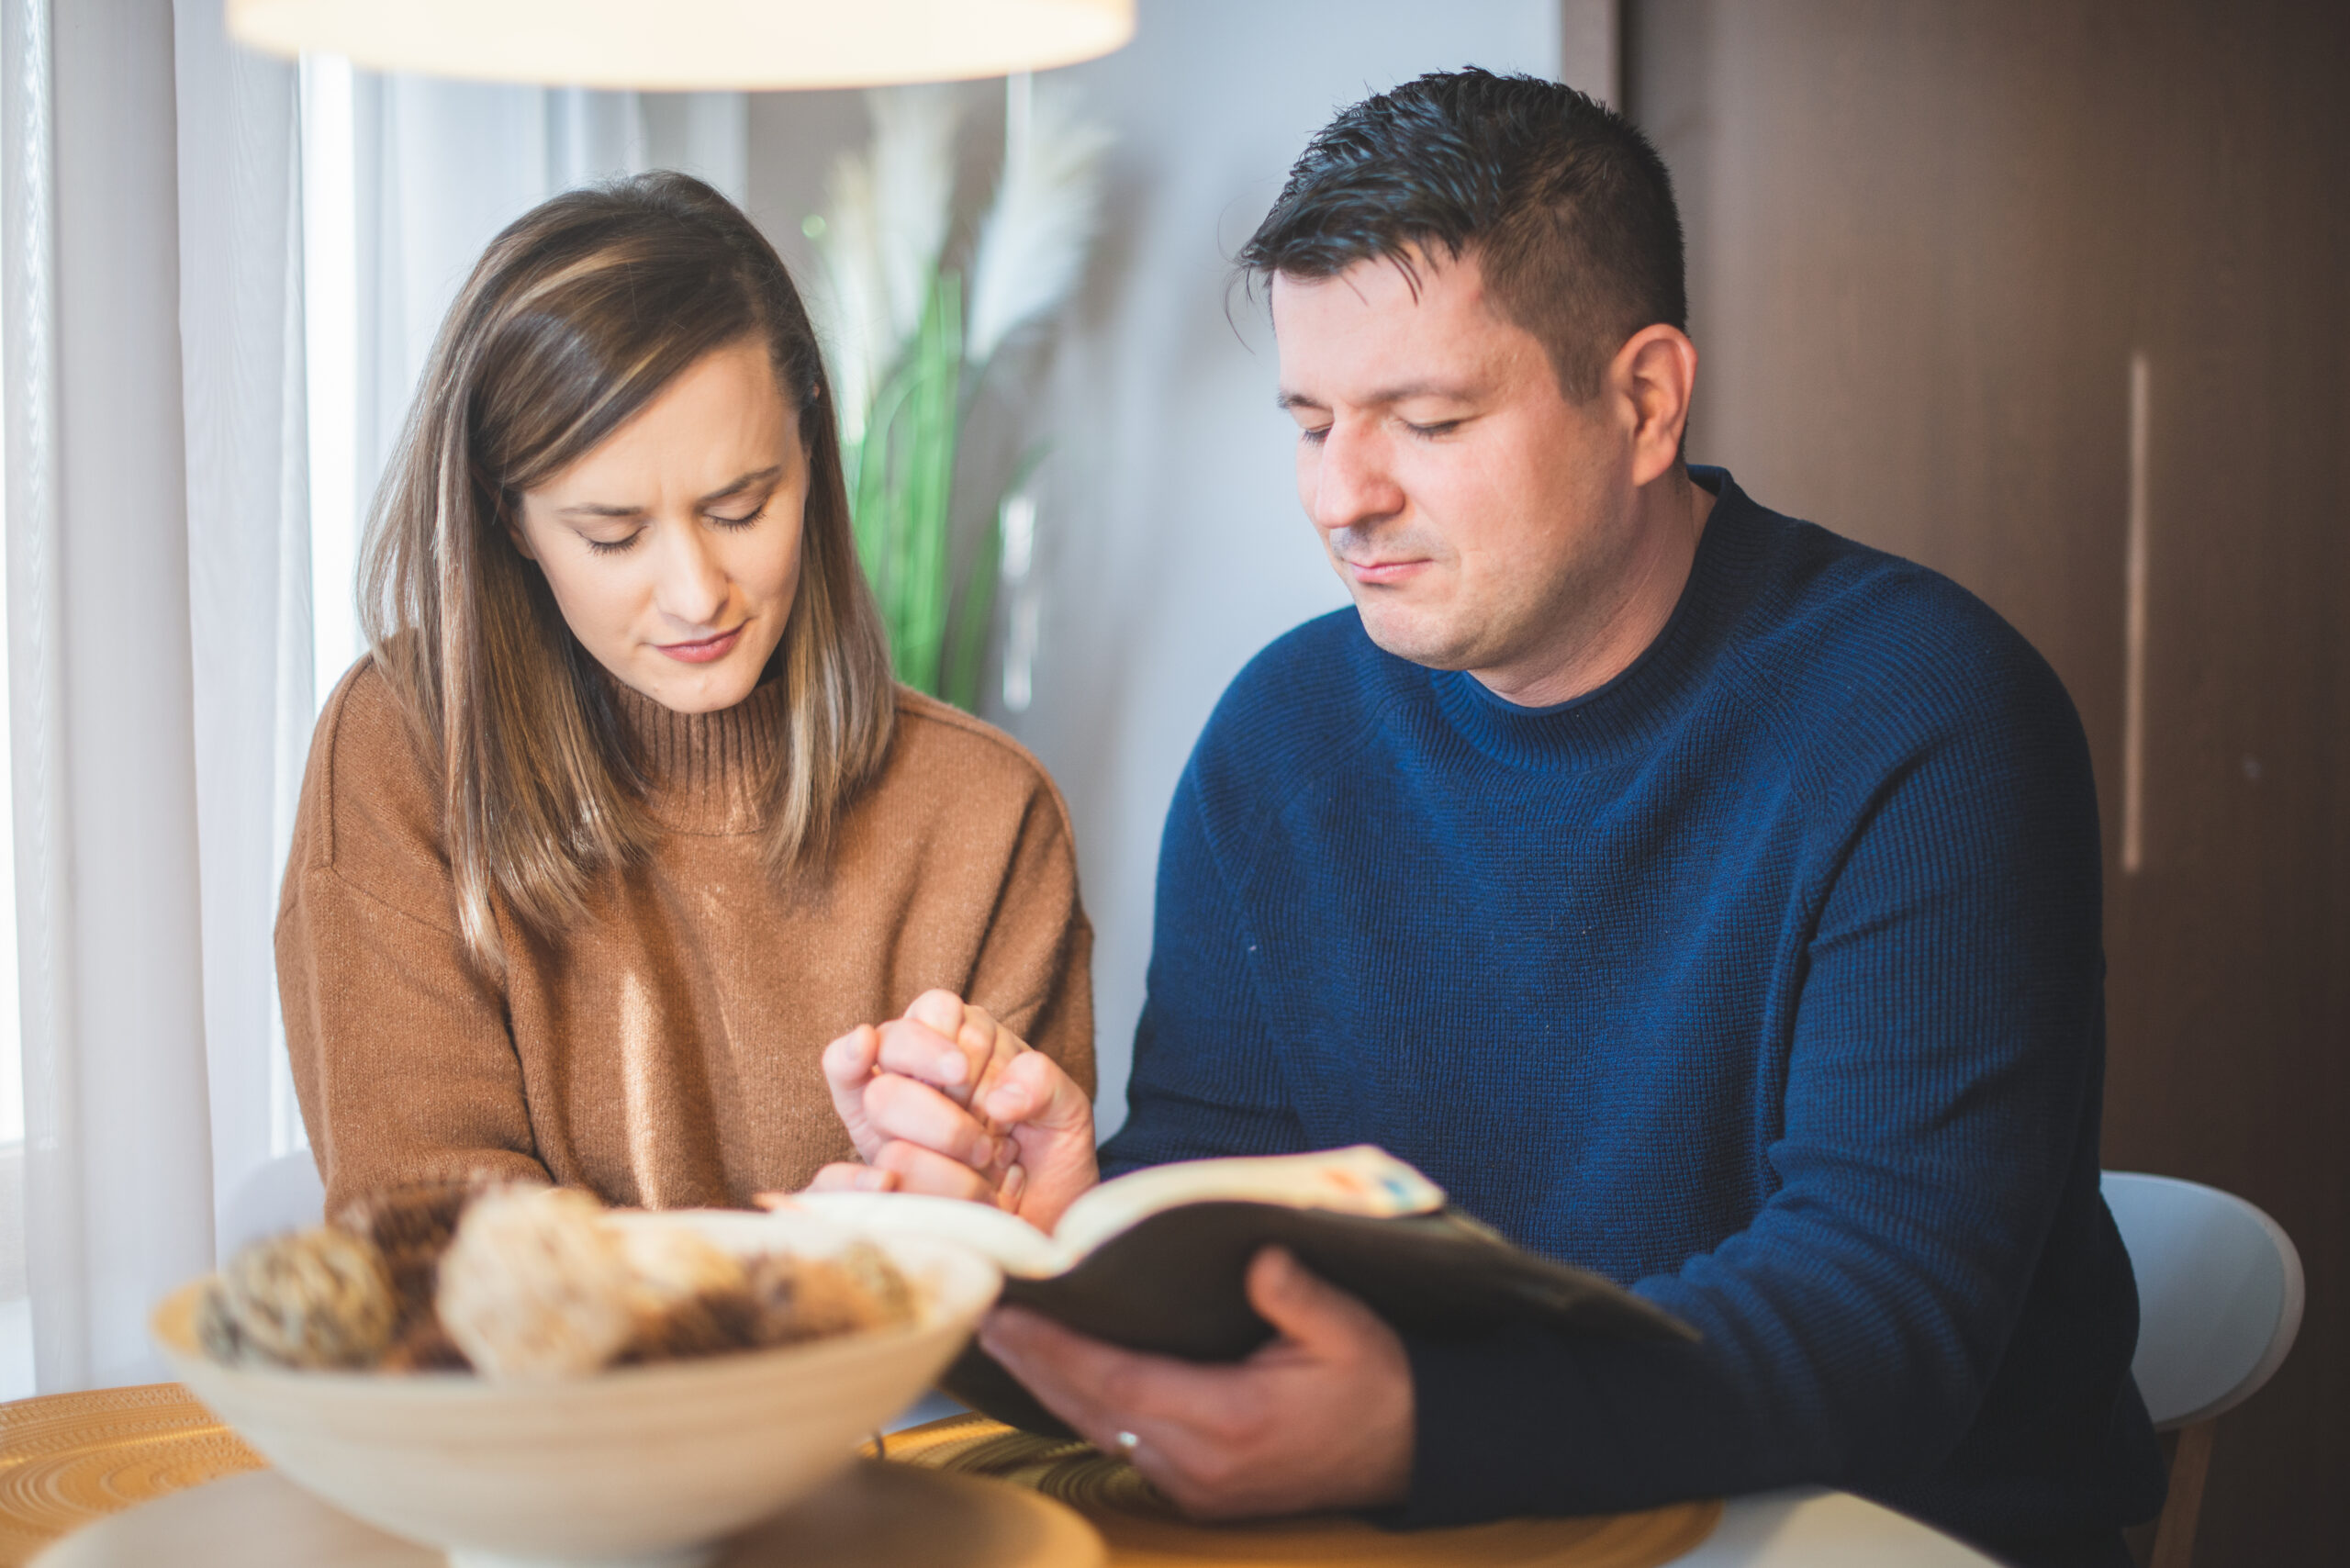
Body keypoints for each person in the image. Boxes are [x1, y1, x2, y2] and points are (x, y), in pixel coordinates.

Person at [811, 71, 2165, 1567]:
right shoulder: (1284, 737)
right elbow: (1240, 1184)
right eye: (1312, 420)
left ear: (1644, 400)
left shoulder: (1923, 717)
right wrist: (1075, 1232)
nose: (1344, 494)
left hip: (1872, 1528)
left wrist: (1416, 1421)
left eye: (1429, 419)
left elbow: (1880, 1317)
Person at [277, 173, 1093, 1218]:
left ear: (810, 447)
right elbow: (433, 1240)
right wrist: (806, 1267)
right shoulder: (406, 750)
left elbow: (1022, 1304)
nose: (696, 593)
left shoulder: (988, 816)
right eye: (612, 534)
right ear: (507, 517)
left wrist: (996, 1222)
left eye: (742, 507)